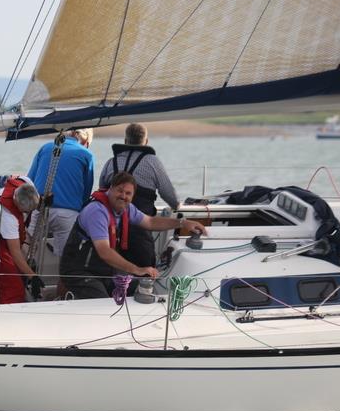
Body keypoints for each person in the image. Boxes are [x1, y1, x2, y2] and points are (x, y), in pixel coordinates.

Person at [60, 171, 206, 299]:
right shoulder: (96, 212)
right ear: (110, 189)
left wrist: (182, 223)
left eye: (128, 193)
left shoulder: (126, 208)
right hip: (78, 271)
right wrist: (137, 270)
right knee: (102, 303)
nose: (123, 196)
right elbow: (104, 252)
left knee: (135, 289)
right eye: (120, 191)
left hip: (102, 271)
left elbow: (150, 222)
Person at [98, 123, 179, 268]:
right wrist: (177, 206)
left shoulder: (111, 162)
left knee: (113, 277)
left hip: (111, 233)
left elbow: (102, 192)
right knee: (145, 274)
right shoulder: (152, 162)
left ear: (125, 140)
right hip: (139, 233)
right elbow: (171, 198)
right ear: (146, 141)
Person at [27, 128, 94, 256]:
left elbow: (30, 180)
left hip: (39, 207)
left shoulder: (45, 148)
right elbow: (86, 192)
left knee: (28, 249)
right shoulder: (86, 155)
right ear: (85, 140)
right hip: (68, 214)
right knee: (65, 258)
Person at [0, 175, 44, 304]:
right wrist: (33, 277)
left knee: (24, 267)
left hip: (8, 236)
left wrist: (43, 201)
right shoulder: (8, 218)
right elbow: (15, 253)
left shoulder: (25, 182)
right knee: (13, 288)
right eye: (26, 211)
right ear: (17, 204)